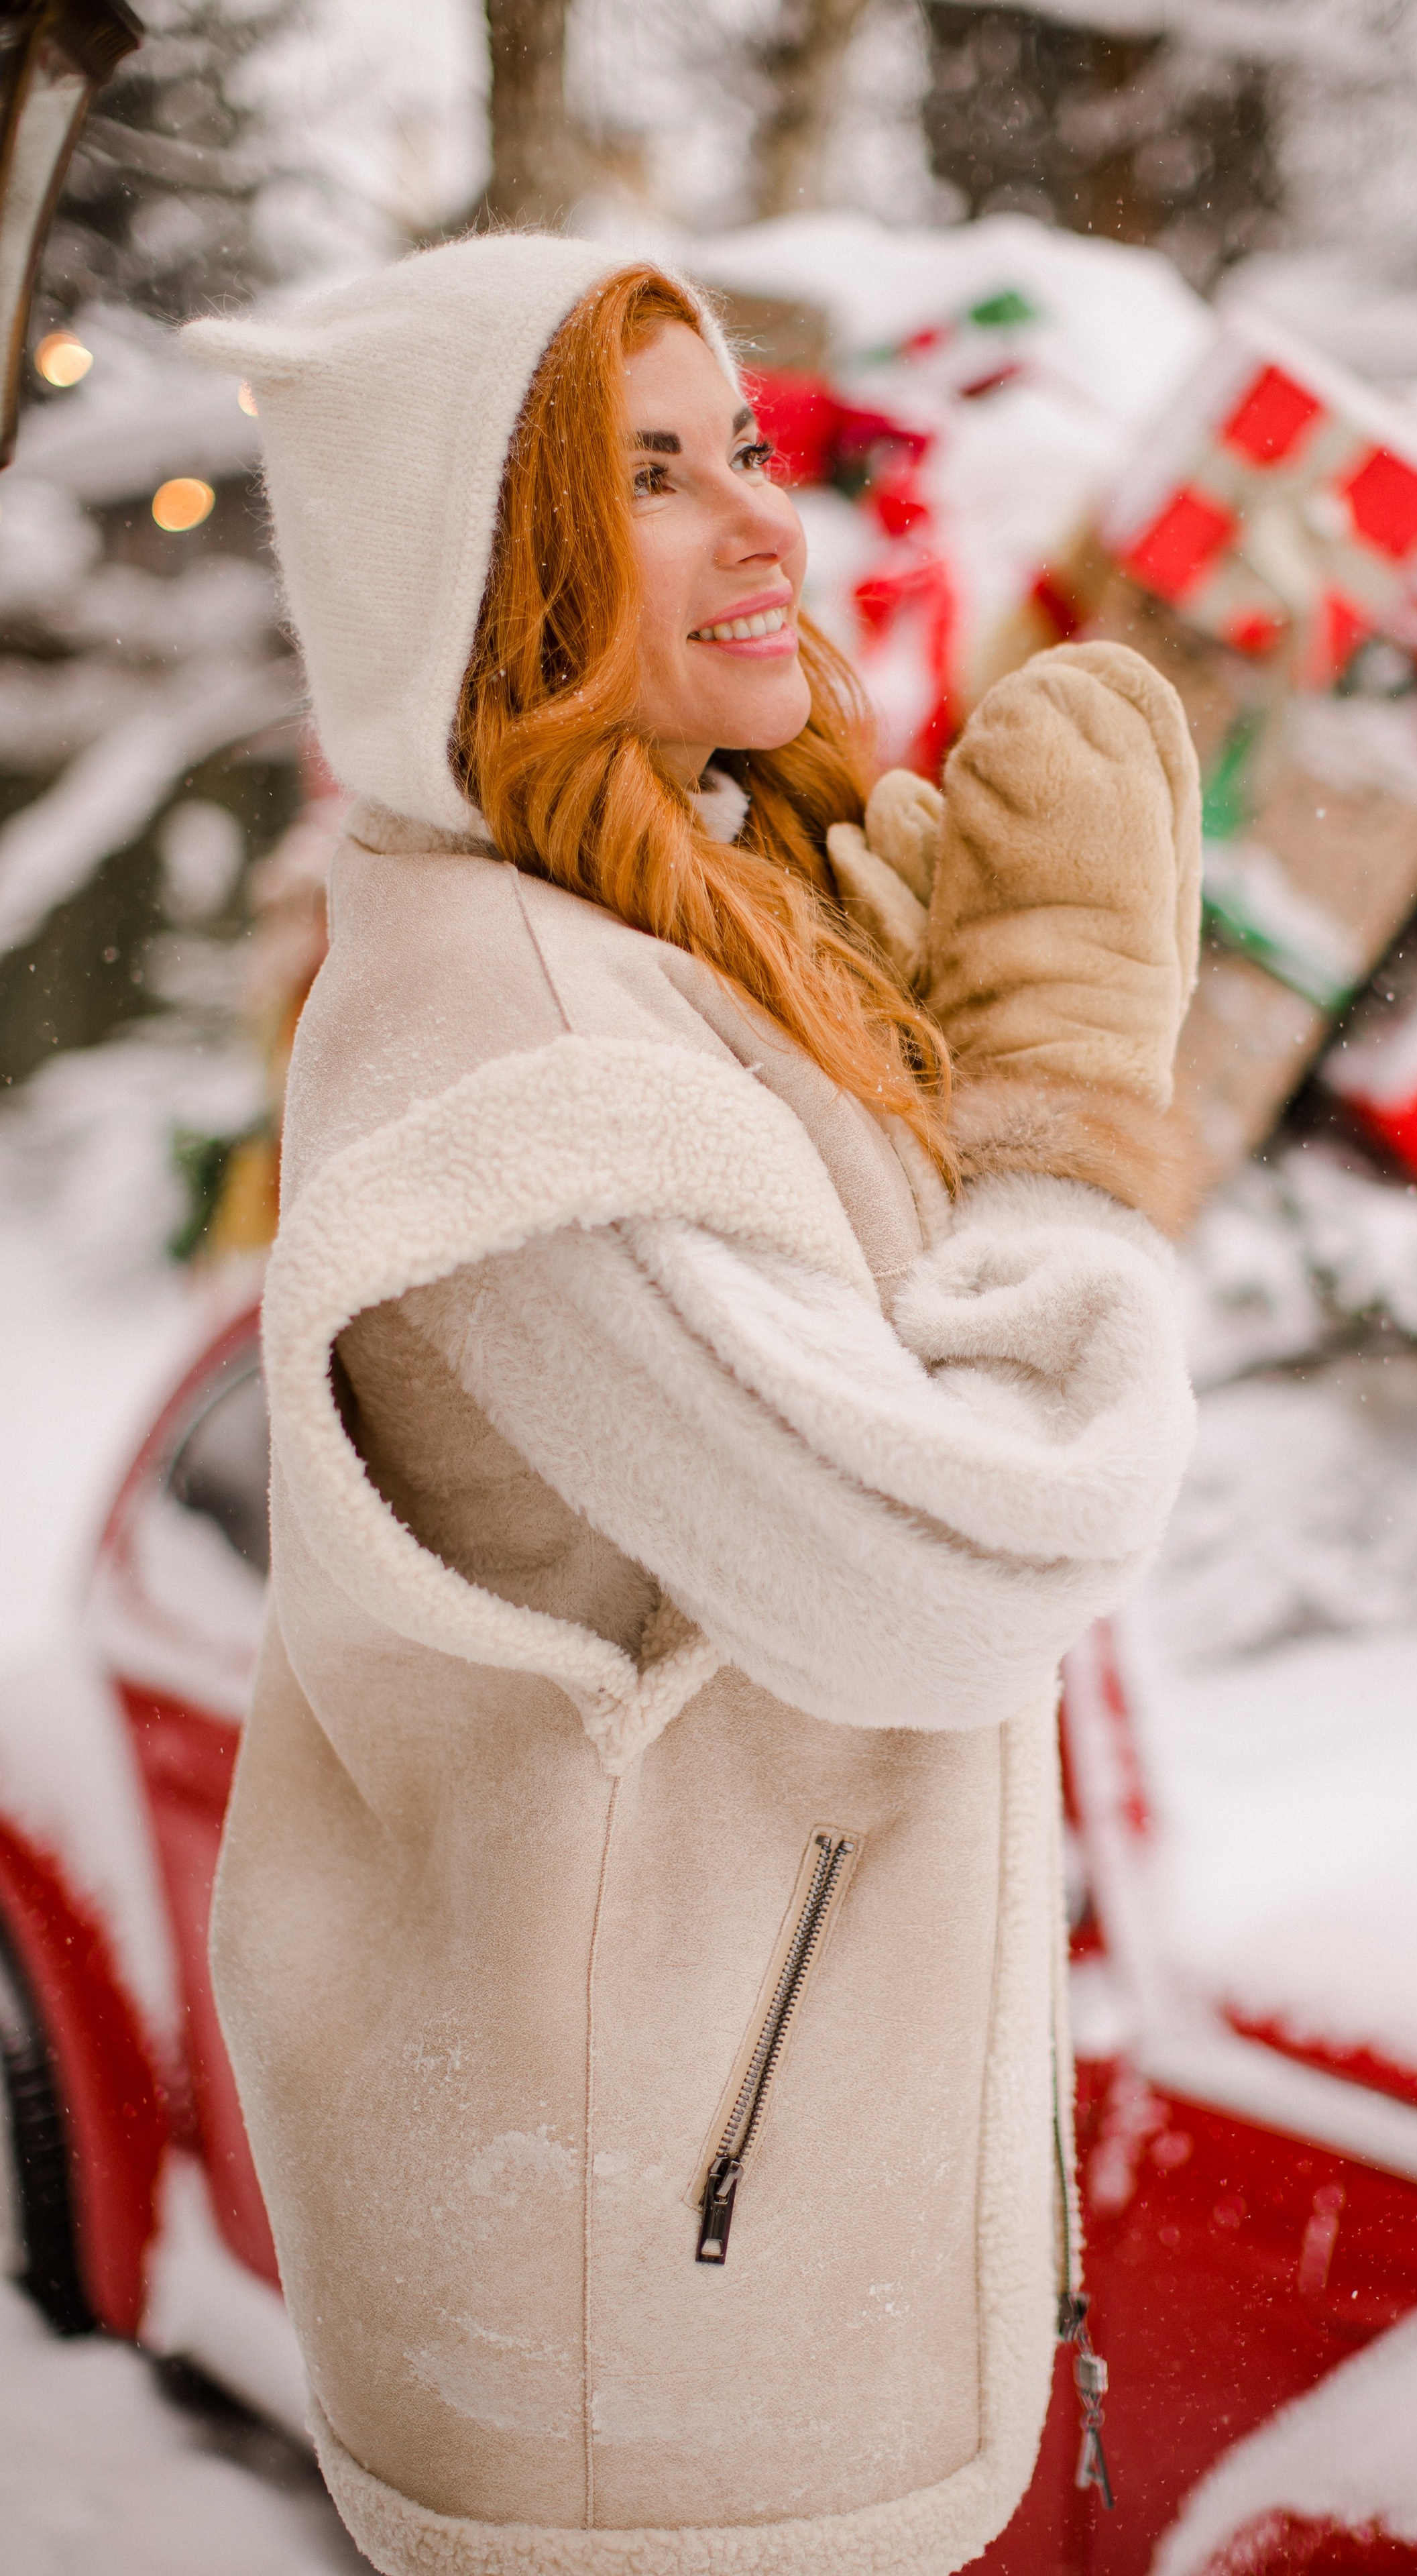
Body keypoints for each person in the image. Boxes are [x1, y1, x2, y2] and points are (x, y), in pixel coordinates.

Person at [184, 232, 1200, 2576]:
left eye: (747, 444)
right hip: (649, 2400)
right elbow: (964, 1580)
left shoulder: (670, 953)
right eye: (650, 478)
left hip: (694, 2287)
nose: (769, 518)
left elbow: (841, 1432)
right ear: (480, 576)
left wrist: (924, 1074)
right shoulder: (528, 1061)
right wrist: (1055, 1084)